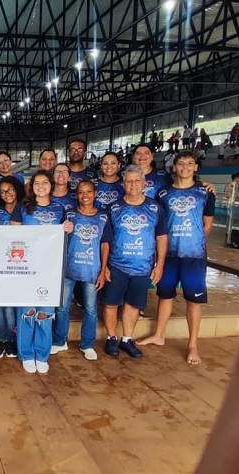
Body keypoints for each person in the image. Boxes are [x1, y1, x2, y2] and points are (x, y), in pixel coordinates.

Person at [137, 152, 215, 364]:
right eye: (181, 164)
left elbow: (207, 225)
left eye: (190, 164)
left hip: (193, 256)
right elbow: (160, 224)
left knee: (194, 300)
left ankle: (193, 345)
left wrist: (192, 240)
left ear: (196, 167)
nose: (185, 167)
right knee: (165, 295)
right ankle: (159, 335)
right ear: (175, 168)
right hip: (169, 254)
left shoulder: (205, 193)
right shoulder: (164, 193)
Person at [102, 165, 168, 359]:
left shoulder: (155, 208)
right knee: (111, 303)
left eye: (136, 181)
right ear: (123, 184)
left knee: (133, 304)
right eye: (129, 181)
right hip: (117, 265)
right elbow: (105, 241)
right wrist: (104, 266)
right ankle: (112, 337)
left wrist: (160, 264)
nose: (132, 184)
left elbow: (162, 238)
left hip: (142, 267)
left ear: (144, 183)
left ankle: (127, 339)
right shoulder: (113, 208)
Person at [10, 171, 73, 373]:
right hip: (27, 267)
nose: (40, 186)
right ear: (32, 186)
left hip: (50, 268)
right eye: (36, 183)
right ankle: (27, 354)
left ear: (51, 185)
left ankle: (42, 354)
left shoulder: (59, 208)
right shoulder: (22, 207)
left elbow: (63, 239)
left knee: (45, 312)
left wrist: (68, 230)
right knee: (27, 312)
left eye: (45, 183)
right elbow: (13, 236)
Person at [52, 181, 112, 361]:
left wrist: (102, 270)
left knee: (91, 309)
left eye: (88, 192)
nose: (84, 195)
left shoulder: (103, 217)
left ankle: (87, 344)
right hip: (69, 269)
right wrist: (64, 229)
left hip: (92, 271)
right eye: (80, 192)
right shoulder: (69, 214)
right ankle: (60, 340)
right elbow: (58, 238)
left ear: (95, 194)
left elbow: (105, 245)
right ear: (76, 195)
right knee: (62, 307)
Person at [0, 176, 25, 359]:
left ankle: (11, 339)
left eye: (10, 189)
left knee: (10, 306)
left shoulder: (27, 210)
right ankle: (0, 339)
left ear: (17, 190)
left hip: (20, 264)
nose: (7, 194)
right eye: (3, 191)